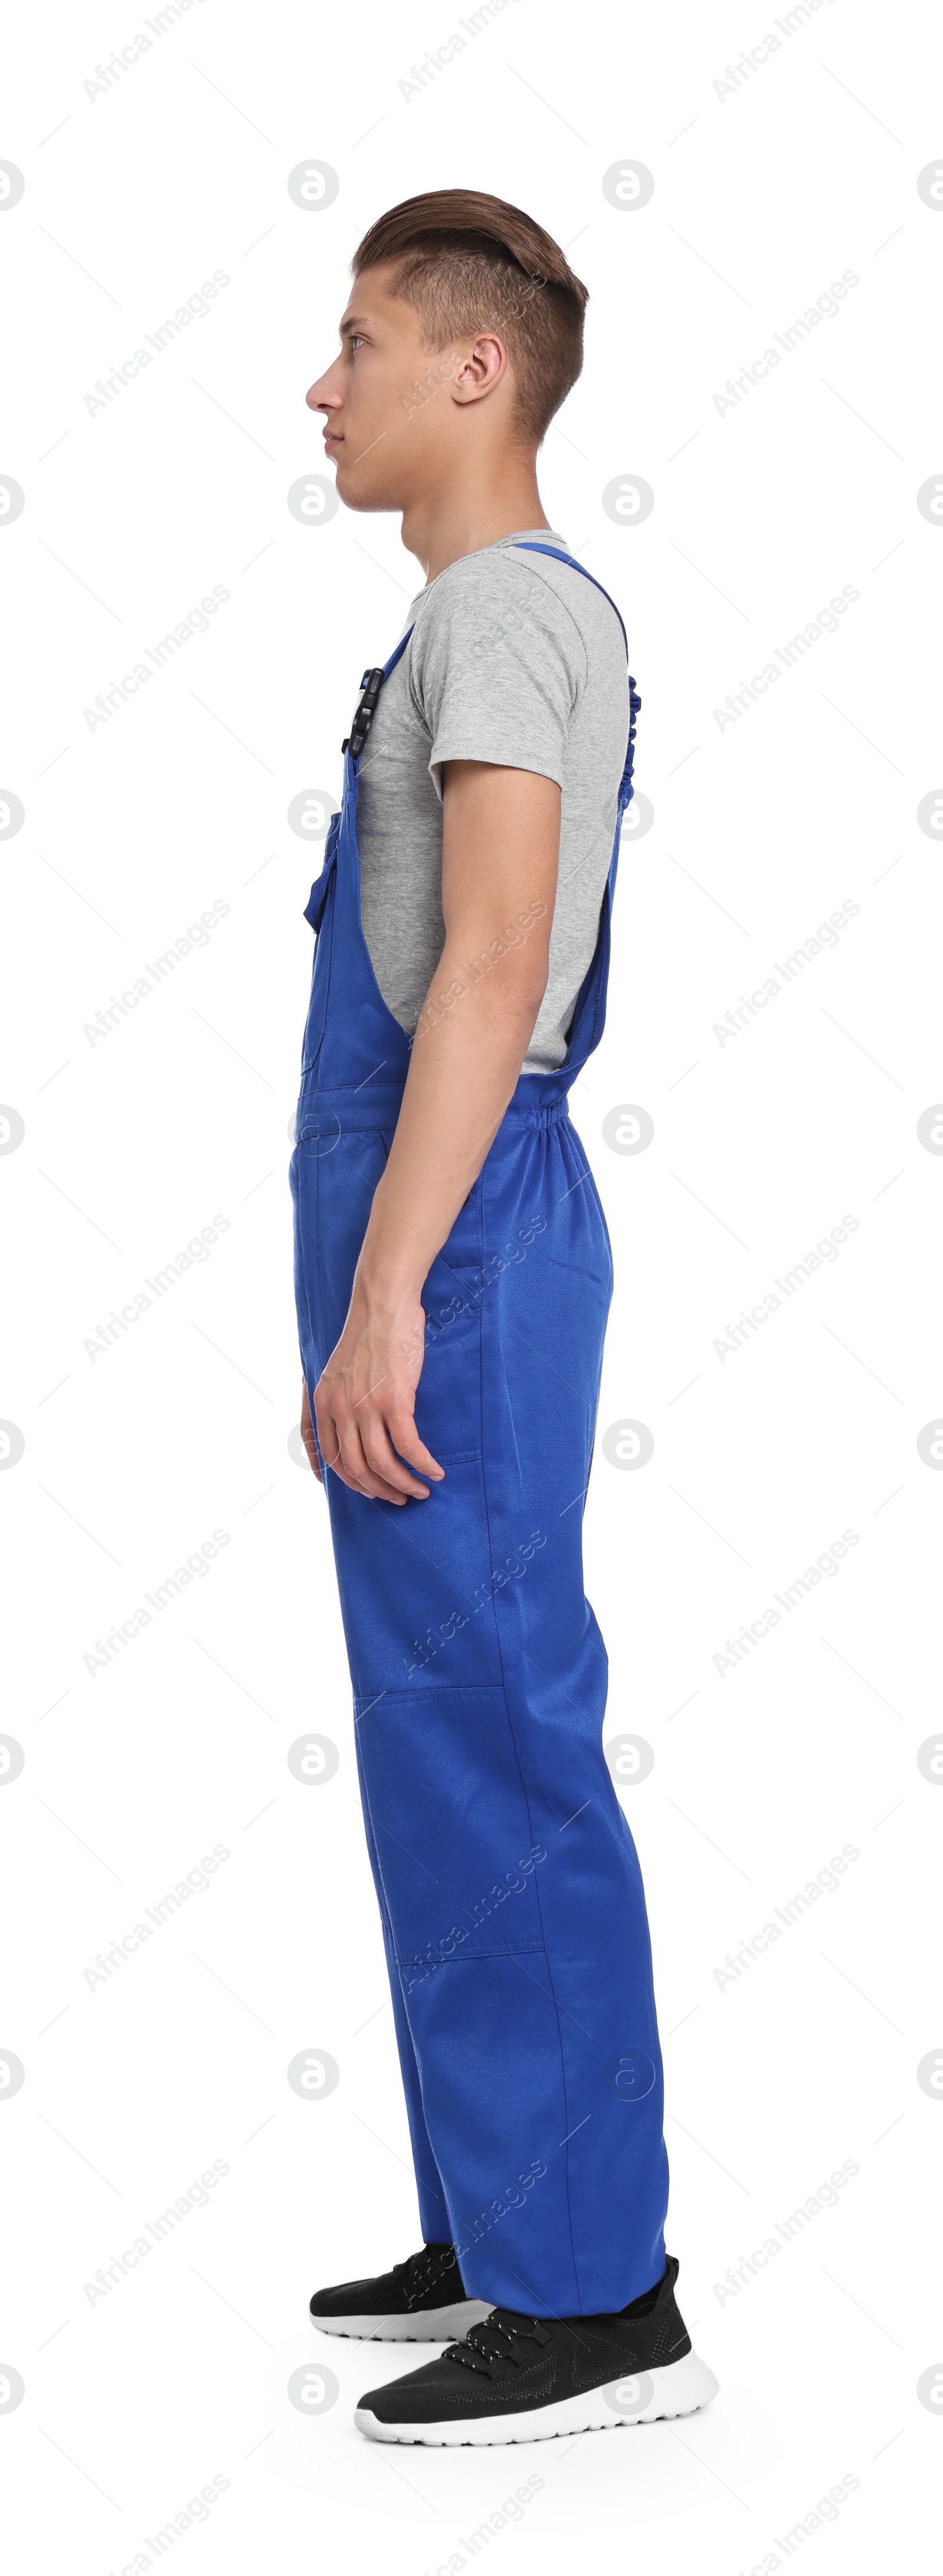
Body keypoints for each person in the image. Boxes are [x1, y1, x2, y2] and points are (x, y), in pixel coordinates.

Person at [291, 188, 717, 2446]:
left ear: (478, 371)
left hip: (457, 1231)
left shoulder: (511, 618)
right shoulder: (465, 619)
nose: (322, 382)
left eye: (357, 338)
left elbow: (488, 965)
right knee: (434, 1723)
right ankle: (505, 2206)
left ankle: (596, 2299)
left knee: (504, 1726)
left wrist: (384, 1296)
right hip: (433, 1222)